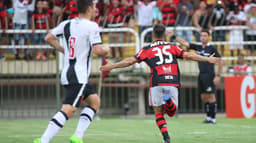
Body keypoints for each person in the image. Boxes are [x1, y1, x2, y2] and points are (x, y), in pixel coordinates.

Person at [100, 24, 220, 143]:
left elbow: (130, 61)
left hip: (157, 82)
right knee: (171, 112)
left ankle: (166, 138)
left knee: (158, 113)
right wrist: (207, 59)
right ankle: (168, 101)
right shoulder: (172, 47)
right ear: (164, 35)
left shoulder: (147, 49)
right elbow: (189, 55)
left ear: (152, 34)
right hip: (172, 81)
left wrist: (113, 66)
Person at [33, 0, 110, 143]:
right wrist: (107, 49)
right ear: (89, 9)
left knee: (94, 102)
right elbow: (98, 50)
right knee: (68, 109)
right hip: (78, 75)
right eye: (94, 7)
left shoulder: (67, 24)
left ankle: (77, 136)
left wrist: (63, 50)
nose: (95, 10)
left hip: (69, 72)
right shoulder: (92, 26)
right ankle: (43, 140)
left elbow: (48, 37)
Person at [175, 29, 223, 124]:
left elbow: (220, 61)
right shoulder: (199, 47)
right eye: (201, 36)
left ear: (209, 37)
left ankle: (212, 118)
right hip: (201, 74)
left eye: (205, 36)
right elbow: (186, 44)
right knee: (203, 97)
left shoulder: (212, 48)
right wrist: (174, 37)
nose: (203, 37)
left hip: (209, 75)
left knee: (211, 96)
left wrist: (218, 75)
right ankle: (208, 116)